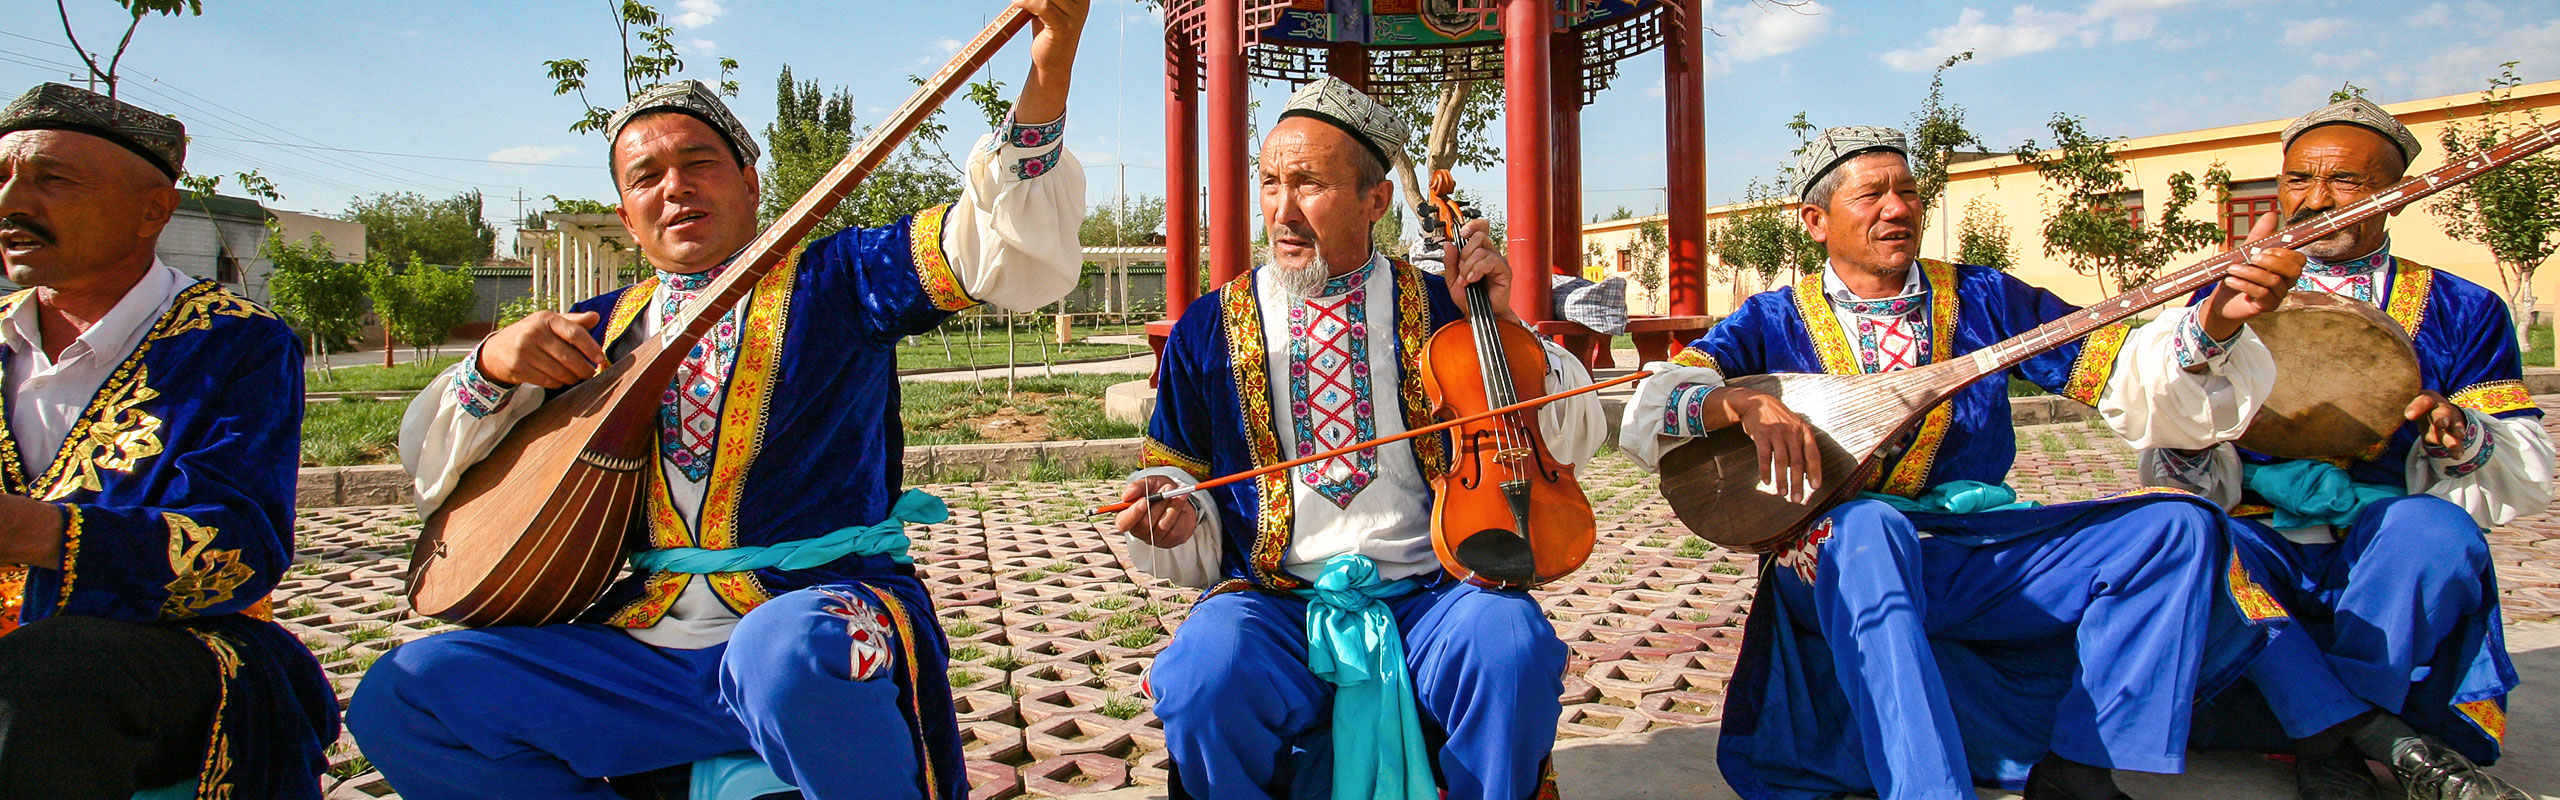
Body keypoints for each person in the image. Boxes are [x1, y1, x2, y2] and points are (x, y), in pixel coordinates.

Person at [344, 3, 1088, 798]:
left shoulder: (841, 278)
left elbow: (998, 249)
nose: (675, 189)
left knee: (784, 654)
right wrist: (492, 363)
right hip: (645, 651)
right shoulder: (597, 330)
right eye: (646, 178)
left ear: (749, 181)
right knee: (408, 694)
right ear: (628, 216)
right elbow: (432, 466)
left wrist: (1049, 66)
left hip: (820, 624)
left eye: (698, 162)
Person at [1617, 125, 2304, 800]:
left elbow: (2120, 368)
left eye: (1909, 193)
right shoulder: (1773, 318)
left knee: (2176, 529)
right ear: (1815, 221)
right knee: (1869, 531)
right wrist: (1736, 403)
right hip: (1830, 554)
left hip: (1971, 548)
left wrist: (2215, 322)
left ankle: (2082, 767)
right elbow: (1658, 401)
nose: (1898, 209)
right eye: (1872, 196)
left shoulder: (1983, 297)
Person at [1111, 76, 1608, 800]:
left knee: (1512, 646)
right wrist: (1176, 510)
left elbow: (1567, 440)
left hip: (1434, 595)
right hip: (1274, 600)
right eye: (1270, 182)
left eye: (1309, 185)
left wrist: (1498, 327)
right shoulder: (1206, 330)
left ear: (1375, 202)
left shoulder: (1446, 306)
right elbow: (1175, 476)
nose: (1282, 211)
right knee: (1202, 672)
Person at [2146, 97, 2545, 800]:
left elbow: (2522, 467)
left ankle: (2322, 731)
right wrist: (2196, 416)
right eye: (2297, 179)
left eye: (2345, 183)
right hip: (2257, 534)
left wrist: (2463, 435)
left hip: (2384, 535)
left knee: (2438, 536)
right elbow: (2168, 447)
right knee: (2180, 540)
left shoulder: (2464, 307)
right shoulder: (2221, 298)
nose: (2314, 200)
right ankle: (2368, 739)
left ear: (2395, 196)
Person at [0, 82, 337, 800]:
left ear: (152, 211)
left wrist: (36, 533)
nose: (12, 204)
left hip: (169, 650)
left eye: (51, 179)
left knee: (48, 676)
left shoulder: (234, 342)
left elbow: (239, 552)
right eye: (1, 179)